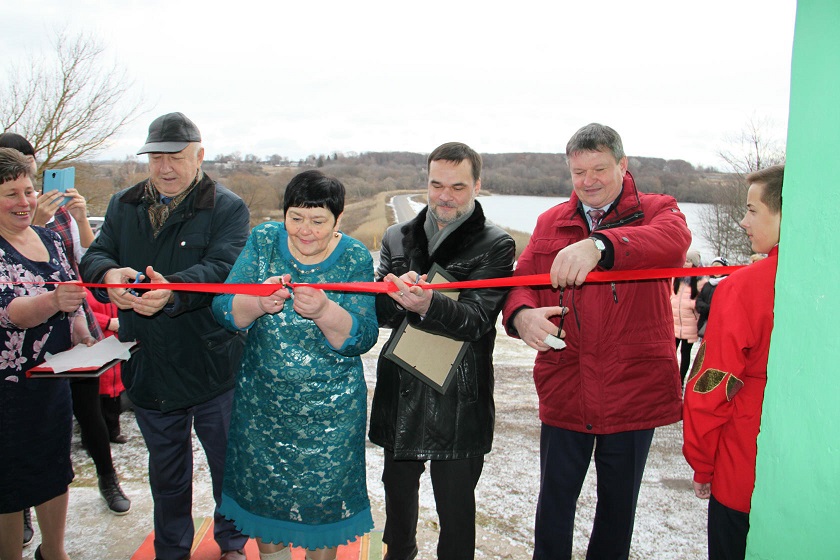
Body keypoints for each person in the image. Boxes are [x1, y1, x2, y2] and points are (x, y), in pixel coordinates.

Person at [501, 123, 691, 560]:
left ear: (623, 166)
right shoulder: (551, 221)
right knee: (554, 503)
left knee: (617, 510)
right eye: (578, 172)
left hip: (633, 388)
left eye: (599, 169)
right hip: (567, 384)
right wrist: (522, 315)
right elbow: (520, 282)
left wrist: (601, 246)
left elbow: (674, 242)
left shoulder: (659, 209)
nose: (588, 181)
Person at [79, 112, 251, 560]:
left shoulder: (227, 207)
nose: (165, 167)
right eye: (156, 157)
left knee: (227, 466)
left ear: (199, 156)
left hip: (212, 362)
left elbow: (224, 268)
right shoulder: (123, 204)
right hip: (149, 362)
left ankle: (231, 543)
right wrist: (109, 274)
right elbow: (95, 254)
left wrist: (171, 291)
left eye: (176, 157)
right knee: (167, 471)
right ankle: (172, 548)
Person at [211, 170, 378, 560]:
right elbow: (222, 306)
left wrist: (324, 310)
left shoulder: (354, 256)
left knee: (323, 512)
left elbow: (362, 337)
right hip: (263, 408)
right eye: (296, 218)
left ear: (338, 220)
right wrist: (257, 302)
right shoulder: (264, 240)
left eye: (318, 221)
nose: (305, 231)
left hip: (332, 414)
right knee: (266, 507)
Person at [369, 142, 516, 560]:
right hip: (401, 387)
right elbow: (379, 312)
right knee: (397, 501)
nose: (444, 196)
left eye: (457, 186)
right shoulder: (397, 236)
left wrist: (428, 303)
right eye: (436, 185)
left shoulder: (495, 244)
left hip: (458, 397)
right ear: (427, 182)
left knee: (456, 512)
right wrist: (394, 296)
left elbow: (477, 320)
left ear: (477, 186)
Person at [682, 164, 784, 560]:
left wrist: (703, 465)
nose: (743, 221)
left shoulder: (743, 289)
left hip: (745, 469)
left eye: (753, 211)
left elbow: (709, 388)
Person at [0, 147, 96, 560]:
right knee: (8, 482)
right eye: (10, 194)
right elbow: (13, 313)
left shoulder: (52, 237)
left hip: (51, 383)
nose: (24, 203)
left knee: (55, 471)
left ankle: (54, 553)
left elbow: (70, 297)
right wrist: (56, 302)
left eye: (28, 191)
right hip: (7, 393)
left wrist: (86, 336)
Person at [85, 288, 128, 444]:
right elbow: (83, 314)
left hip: (115, 347)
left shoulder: (115, 287)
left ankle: (113, 432)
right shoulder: (85, 290)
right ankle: (92, 439)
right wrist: (108, 322)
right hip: (95, 346)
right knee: (94, 401)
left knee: (114, 395)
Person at [672, 249, 706, 384]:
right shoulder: (676, 278)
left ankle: (680, 381)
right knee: (671, 353)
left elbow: (701, 301)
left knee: (685, 354)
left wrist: (690, 304)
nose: (685, 264)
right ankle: (671, 379)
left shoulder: (701, 281)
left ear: (695, 264)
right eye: (685, 260)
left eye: (689, 261)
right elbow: (671, 294)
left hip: (690, 323)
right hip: (675, 322)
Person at [695, 256, 729, 339]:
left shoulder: (727, 284)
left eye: (719, 268)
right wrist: (707, 308)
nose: (716, 271)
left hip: (720, 323)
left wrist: (713, 309)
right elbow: (699, 300)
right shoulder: (707, 284)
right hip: (704, 322)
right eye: (714, 268)